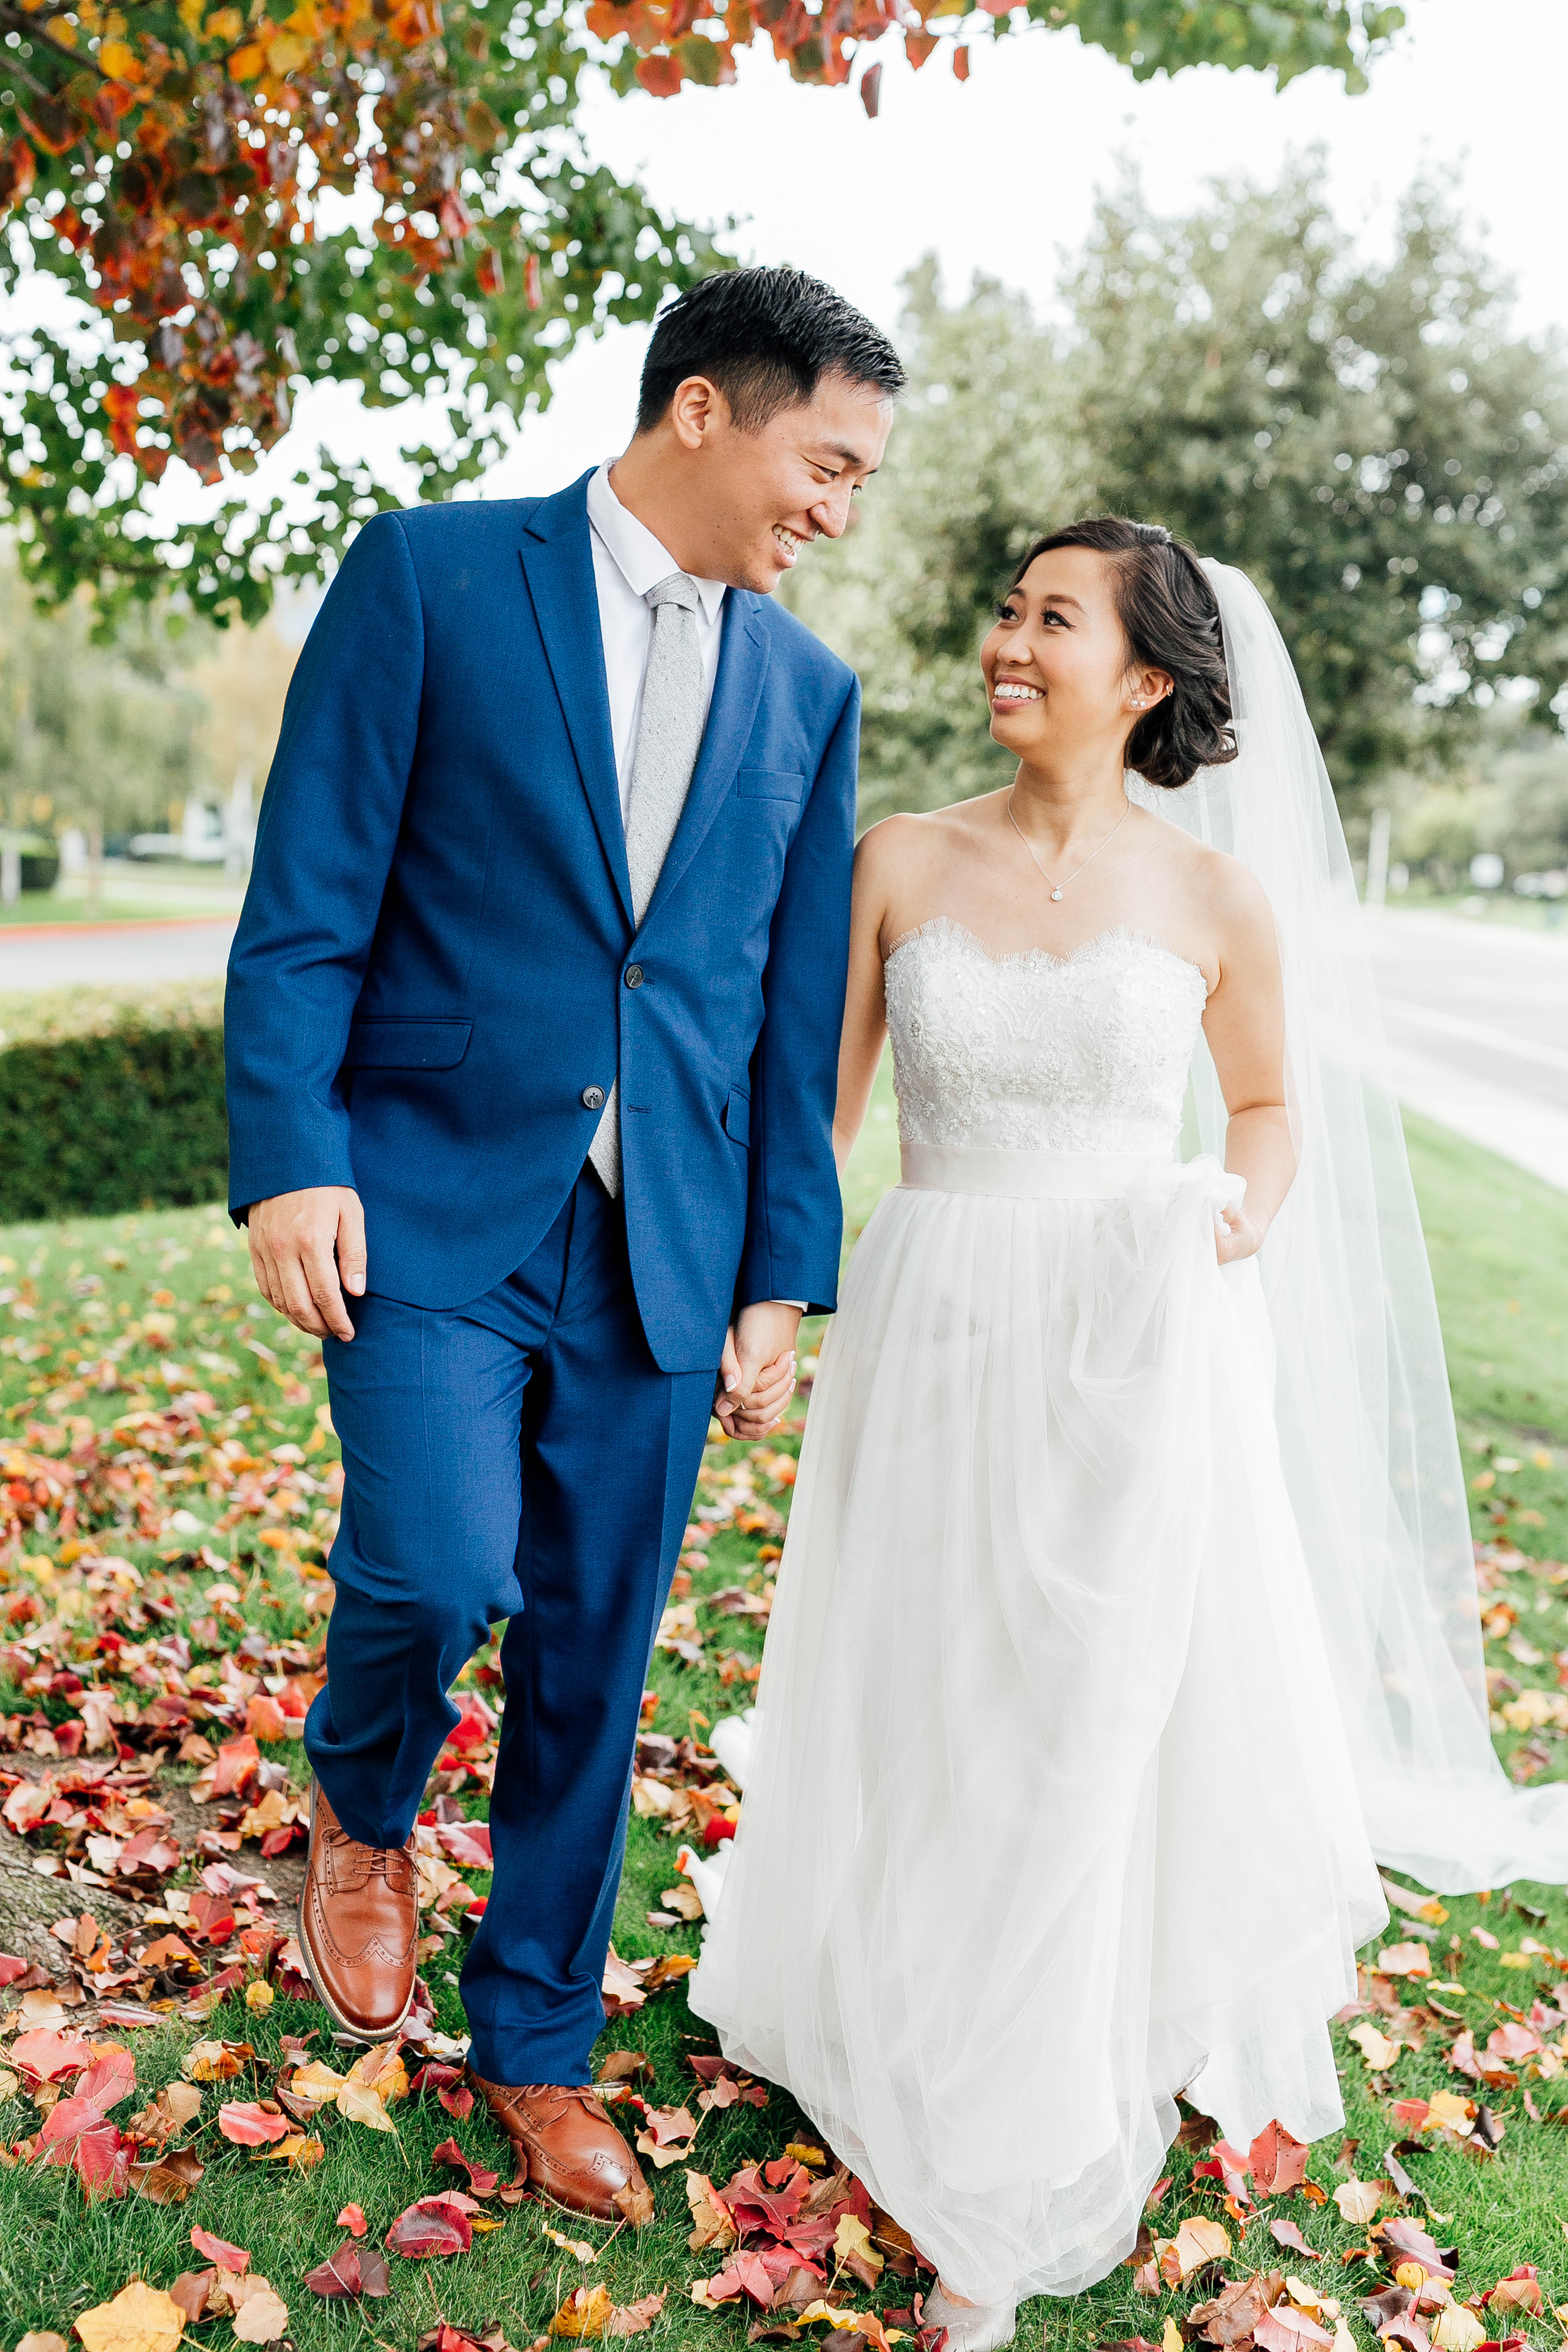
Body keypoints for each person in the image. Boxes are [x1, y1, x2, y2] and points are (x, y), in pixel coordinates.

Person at [689, 515, 1568, 2346]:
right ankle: (928, 2001)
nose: (1008, 642)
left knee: (1090, 1697)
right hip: (937, 1316)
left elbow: (1265, 1110)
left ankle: (1024, 2121)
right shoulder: (896, 859)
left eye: (1054, 619)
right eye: (1007, 610)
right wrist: (769, 1298)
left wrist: (1235, 1218)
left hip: (1134, 1328)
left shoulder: (1215, 899)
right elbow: (817, 1115)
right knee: (942, 1678)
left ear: (1146, 676)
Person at [223, 266, 901, 2222]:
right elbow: (307, 900)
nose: (837, 509)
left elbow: (786, 1014)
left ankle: (534, 2045)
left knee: (597, 1656)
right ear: (701, 409)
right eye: (824, 462)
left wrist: (779, 1269)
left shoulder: (807, 692)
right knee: (437, 1563)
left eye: (859, 481)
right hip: (425, 1191)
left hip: (668, 1241)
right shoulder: (431, 576)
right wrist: (290, 1158)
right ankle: (363, 1805)